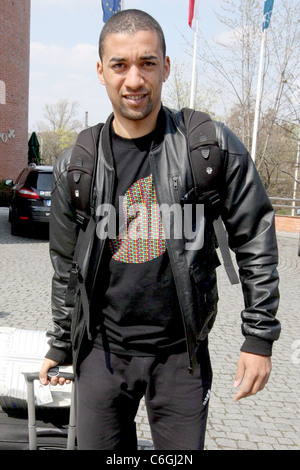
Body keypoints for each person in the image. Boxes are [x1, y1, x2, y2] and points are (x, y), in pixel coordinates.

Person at [39, 9, 280, 450]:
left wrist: (259, 337)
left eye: (147, 63)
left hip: (181, 356)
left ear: (166, 67)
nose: (134, 79)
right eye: (120, 65)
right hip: (100, 353)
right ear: (100, 71)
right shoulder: (76, 163)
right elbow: (65, 265)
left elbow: (255, 237)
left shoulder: (208, 146)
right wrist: (59, 342)